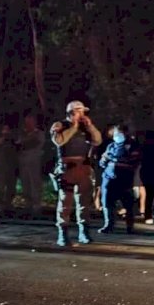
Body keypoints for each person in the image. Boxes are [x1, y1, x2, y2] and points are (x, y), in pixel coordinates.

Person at [50, 101, 102, 246]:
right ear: (71, 113)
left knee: (84, 202)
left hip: (83, 169)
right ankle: (63, 234)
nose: (82, 115)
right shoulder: (60, 126)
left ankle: (84, 232)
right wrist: (73, 127)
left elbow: (97, 140)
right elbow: (59, 141)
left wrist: (90, 126)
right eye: (79, 112)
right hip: (67, 169)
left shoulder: (86, 128)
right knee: (65, 203)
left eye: (83, 112)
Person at [98, 124, 140, 234]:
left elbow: (132, 160)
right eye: (116, 133)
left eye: (119, 132)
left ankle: (130, 227)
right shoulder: (111, 146)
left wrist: (113, 159)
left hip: (125, 179)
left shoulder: (133, 146)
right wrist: (106, 160)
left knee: (128, 204)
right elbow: (103, 161)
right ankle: (109, 225)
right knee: (107, 202)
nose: (117, 135)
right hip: (109, 178)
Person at [16, 114, 45, 218]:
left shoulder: (39, 134)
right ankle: (28, 205)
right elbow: (18, 145)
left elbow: (35, 143)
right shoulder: (22, 134)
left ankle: (36, 206)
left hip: (34, 162)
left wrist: (25, 142)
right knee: (26, 183)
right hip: (23, 162)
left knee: (35, 183)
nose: (28, 124)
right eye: (26, 121)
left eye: (30, 121)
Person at [0, 123, 17, 217]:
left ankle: (8, 204)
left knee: (11, 187)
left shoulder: (12, 141)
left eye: (7, 129)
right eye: (4, 129)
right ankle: (0, 205)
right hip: (1, 167)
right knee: (0, 186)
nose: (6, 132)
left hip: (11, 167)